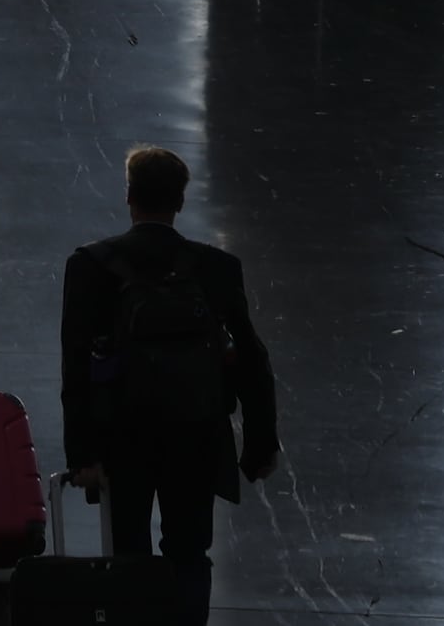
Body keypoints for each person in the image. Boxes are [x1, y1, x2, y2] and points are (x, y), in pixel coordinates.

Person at [61, 146, 284, 570]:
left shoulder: (91, 266)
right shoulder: (217, 267)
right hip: (197, 433)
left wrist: (83, 456)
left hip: (121, 434)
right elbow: (251, 356)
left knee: (127, 551)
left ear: (130, 196)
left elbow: (76, 365)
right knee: (188, 553)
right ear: (180, 202)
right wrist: (260, 444)